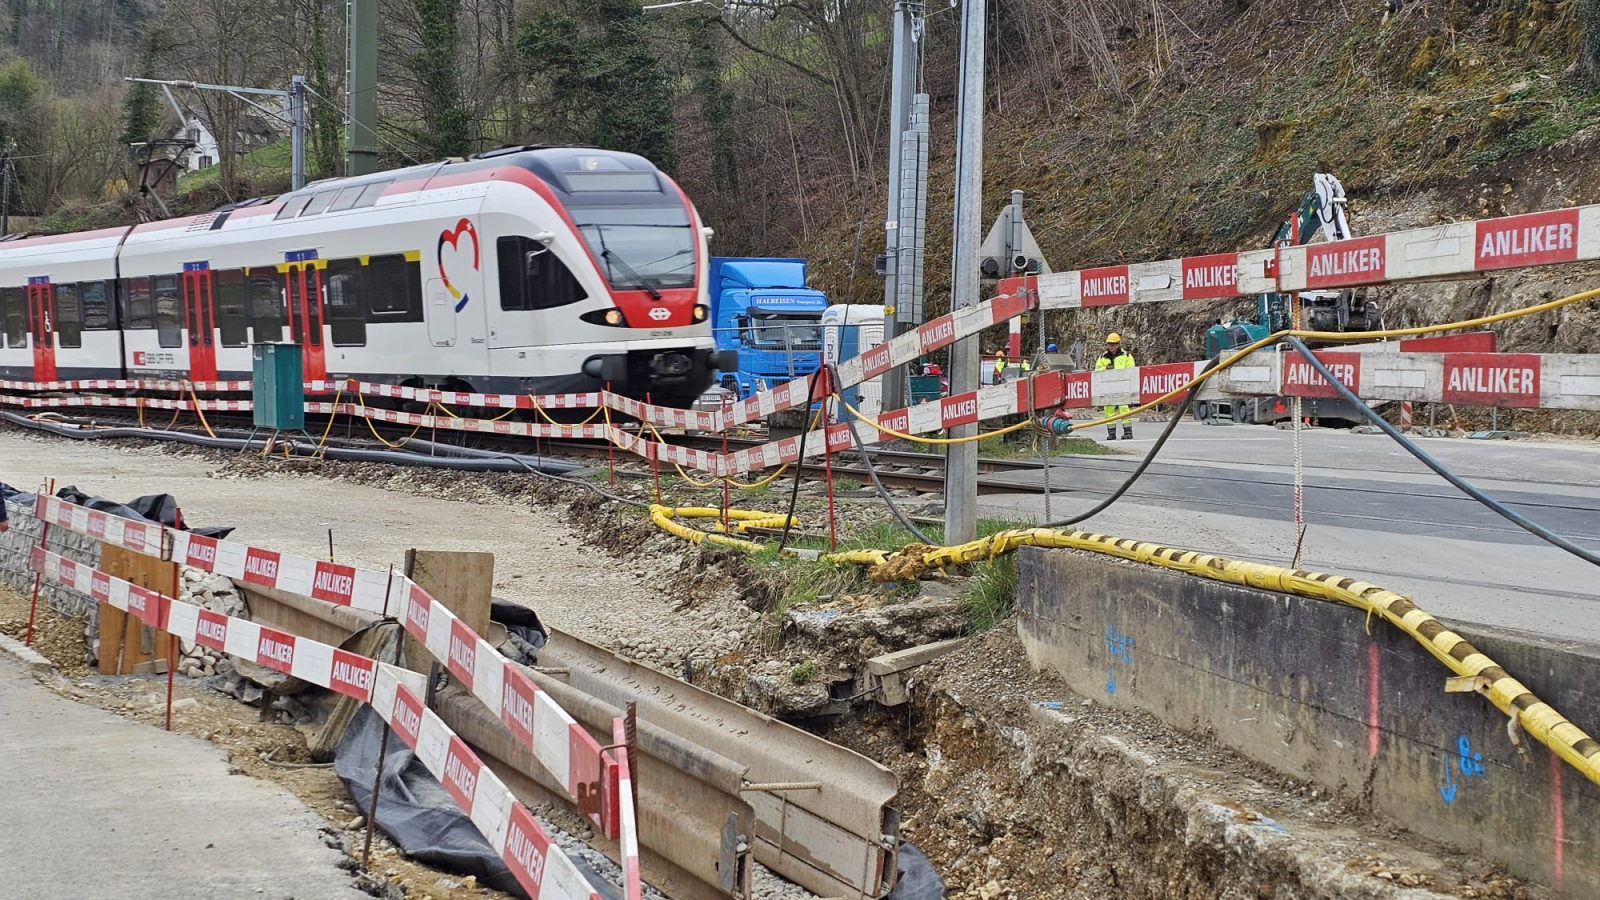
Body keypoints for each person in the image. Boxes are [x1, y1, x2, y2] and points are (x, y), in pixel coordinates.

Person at [1094, 332, 1136, 440]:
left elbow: (1132, 370)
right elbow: (1096, 371)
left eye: (1113, 344)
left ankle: (1128, 432)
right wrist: (1105, 369)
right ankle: (1111, 433)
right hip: (1108, 387)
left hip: (1122, 386)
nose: (1111, 346)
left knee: (1124, 408)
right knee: (1108, 409)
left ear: (1118, 344)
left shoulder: (1126, 356)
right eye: (1109, 344)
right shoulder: (1102, 357)